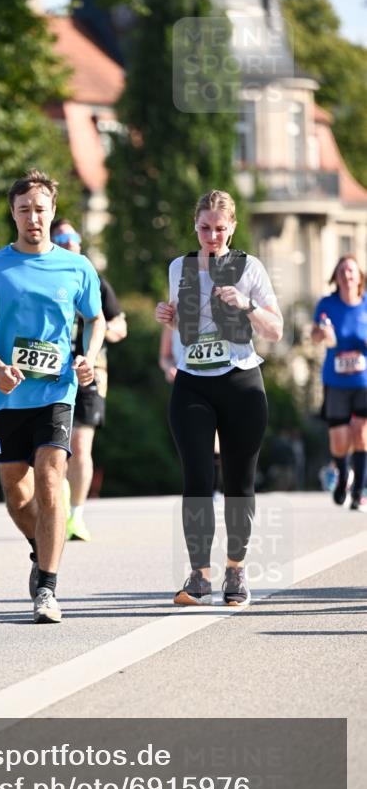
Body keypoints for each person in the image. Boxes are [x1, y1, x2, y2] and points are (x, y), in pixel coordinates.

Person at [0, 169, 105, 623]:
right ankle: (42, 548)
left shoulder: (76, 267)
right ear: (14, 214)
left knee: (49, 480)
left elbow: (95, 320)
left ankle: (47, 588)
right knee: (16, 496)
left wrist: (88, 358)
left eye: (40, 209)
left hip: (56, 391)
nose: (33, 218)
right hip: (4, 396)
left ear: (53, 212)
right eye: (24, 210)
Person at [155, 189, 283, 607]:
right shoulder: (180, 267)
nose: (212, 236)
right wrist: (169, 318)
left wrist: (247, 305)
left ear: (232, 228)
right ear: (195, 226)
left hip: (241, 381)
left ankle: (235, 571)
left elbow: (275, 330)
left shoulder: (250, 267)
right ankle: (198, 576)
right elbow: (184, 324)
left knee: (239, 482)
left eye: (220, 228)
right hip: (193, 381)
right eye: (205, 228)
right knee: (196, 479)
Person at [50, 218, 127, 540]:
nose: (70, 243)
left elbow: (121, 326)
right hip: (50, 371)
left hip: (92, 372)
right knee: (55, 446)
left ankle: (75, 517)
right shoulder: (42, 279)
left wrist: (99, 329)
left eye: (74, 238)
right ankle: (59, 501)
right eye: (63, 238)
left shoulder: (95, 280)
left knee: (81, 445)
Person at [311, 254, 367, 511]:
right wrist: (320, 333)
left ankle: (358, 492)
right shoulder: (327, 304)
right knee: (340, 439)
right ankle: (344, 475)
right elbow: (313, 336)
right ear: (336, 277)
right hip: (335, 382)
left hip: (363, 380)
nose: (347, 275)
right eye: (342, 271)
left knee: (362, 434)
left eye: (351, 271)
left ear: (359, 276)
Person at [159, 328, 222, 498]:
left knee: (216, 440)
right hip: (187, 384)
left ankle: (214, 488)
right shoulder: (172, 317)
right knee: (195, 440)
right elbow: (164, 357)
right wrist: (169, 368)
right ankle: (200, 490)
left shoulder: (215, 313)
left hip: (218, 381)